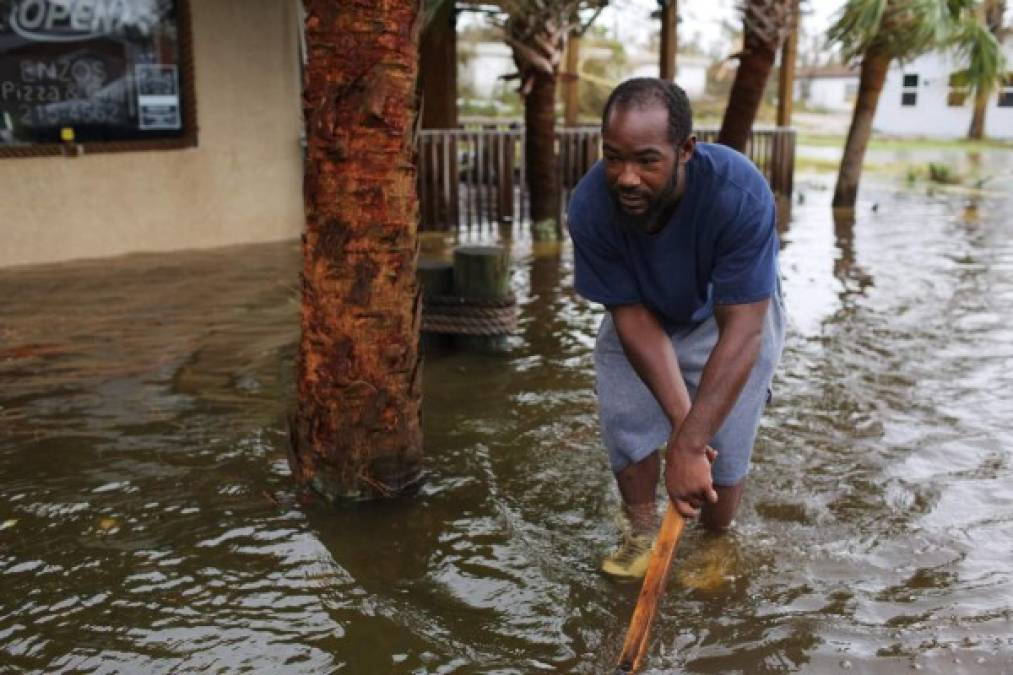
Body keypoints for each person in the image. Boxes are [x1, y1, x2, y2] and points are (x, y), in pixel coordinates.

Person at [567, 78, 786, 579]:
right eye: (613, 157)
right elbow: (630, 318)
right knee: (627, 421)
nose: (626, 177)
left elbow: (744, 333)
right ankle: (641, 533)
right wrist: (685, 432)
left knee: (727, 437)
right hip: (643, 311)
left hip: (730, 316)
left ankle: (715, 540)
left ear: (685, 149)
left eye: (647, 160)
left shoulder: (738, 192)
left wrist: (693, 444)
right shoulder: (589, 206)